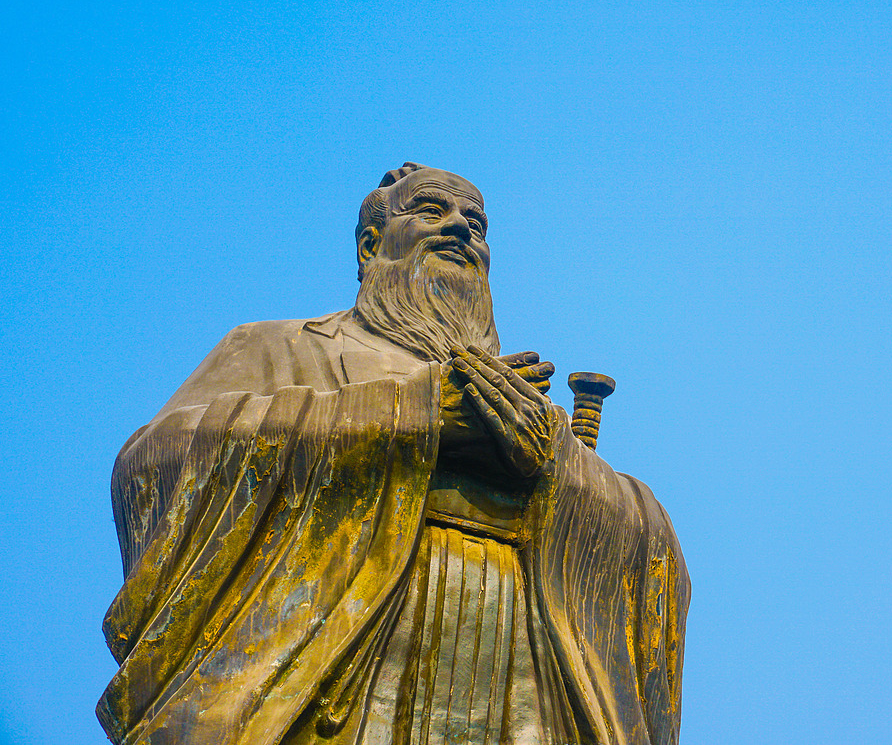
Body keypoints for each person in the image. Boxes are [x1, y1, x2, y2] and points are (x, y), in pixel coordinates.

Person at [99, 164, 689, 745]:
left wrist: (557, 463)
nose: (460, 227)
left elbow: (655, 548)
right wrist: (415, 413)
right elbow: (153, 464)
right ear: (370, 244)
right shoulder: (276, 347)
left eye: (476, 224)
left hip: (516, 685)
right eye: (432, 210)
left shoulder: (531, 406)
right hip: (330, 672)